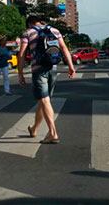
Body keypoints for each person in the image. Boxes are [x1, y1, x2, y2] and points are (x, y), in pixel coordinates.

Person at [17, 15, 76, 144]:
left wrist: (20, 72)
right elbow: (64, 48)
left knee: (44, 100)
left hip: (38, 69)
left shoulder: (28, 32)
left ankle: (53, 133)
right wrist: (71, 67)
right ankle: (34, 129)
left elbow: (21, 54)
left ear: (30, 23)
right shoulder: (55, 31)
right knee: (44, 101)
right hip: (53, 68)